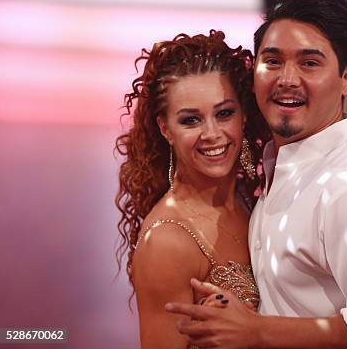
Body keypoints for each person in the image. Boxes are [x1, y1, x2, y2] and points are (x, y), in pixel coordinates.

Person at [166, 0, 347, 348]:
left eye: (309, 64)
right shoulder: (282, 163)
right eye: (272, 61)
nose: (286, 79)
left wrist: (256, 332)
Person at [115, 31, 270, 348]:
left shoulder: (251, 198)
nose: (212, 134)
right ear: (165, 128)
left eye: (224, 113)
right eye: (191, 120)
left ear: (243, 116)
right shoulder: (167, 240)